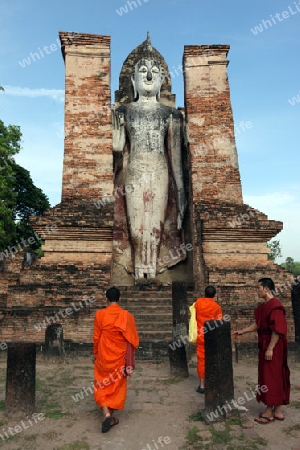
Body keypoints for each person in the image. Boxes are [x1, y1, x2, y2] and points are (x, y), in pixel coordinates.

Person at [112, 36, 186, 282]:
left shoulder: (171, 114)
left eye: (155, 72)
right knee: (135, 224)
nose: (149, 76)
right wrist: (116, 137)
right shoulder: (124, 111)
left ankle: (152, 269)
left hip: (160, 171)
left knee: (156, 222)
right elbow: (119, 149)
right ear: (132, 80)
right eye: (142, 71)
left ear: (162, 80)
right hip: (134, 170)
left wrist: (183, 191)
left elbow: (175, 157)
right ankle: (137, 269)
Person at [233, 277, 290, 424]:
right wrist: (242, 331)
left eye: (258, 288)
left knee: (270, 376)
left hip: (273, 344)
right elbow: (258, 324)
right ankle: (278, 410)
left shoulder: (275, 305)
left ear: (266, 288)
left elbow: (277, 330)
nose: (257, 290)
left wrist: (270, 348)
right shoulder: (265, 306)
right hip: (267, 342)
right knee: (275, 374)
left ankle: (269, 412)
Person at [93, 286, 139, 433]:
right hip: (119, 356)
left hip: (103, 355)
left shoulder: (100, 314)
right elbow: (133, 340)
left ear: (106, 299)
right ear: (119, 299)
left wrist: (95, 354)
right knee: (115, 384)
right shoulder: (127, 316)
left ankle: (106, 412)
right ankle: (109, 415)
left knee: (102, 383)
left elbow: (96, 338)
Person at [194, 285, 223, 393]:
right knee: (212, 359)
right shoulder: (217, 307)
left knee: (201, 360)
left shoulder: (199, 302)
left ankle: (202, 385)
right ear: (215, 295)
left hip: (200, 335)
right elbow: (219, 322)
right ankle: (212, 383)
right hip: (212, 337)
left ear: (204, 294)